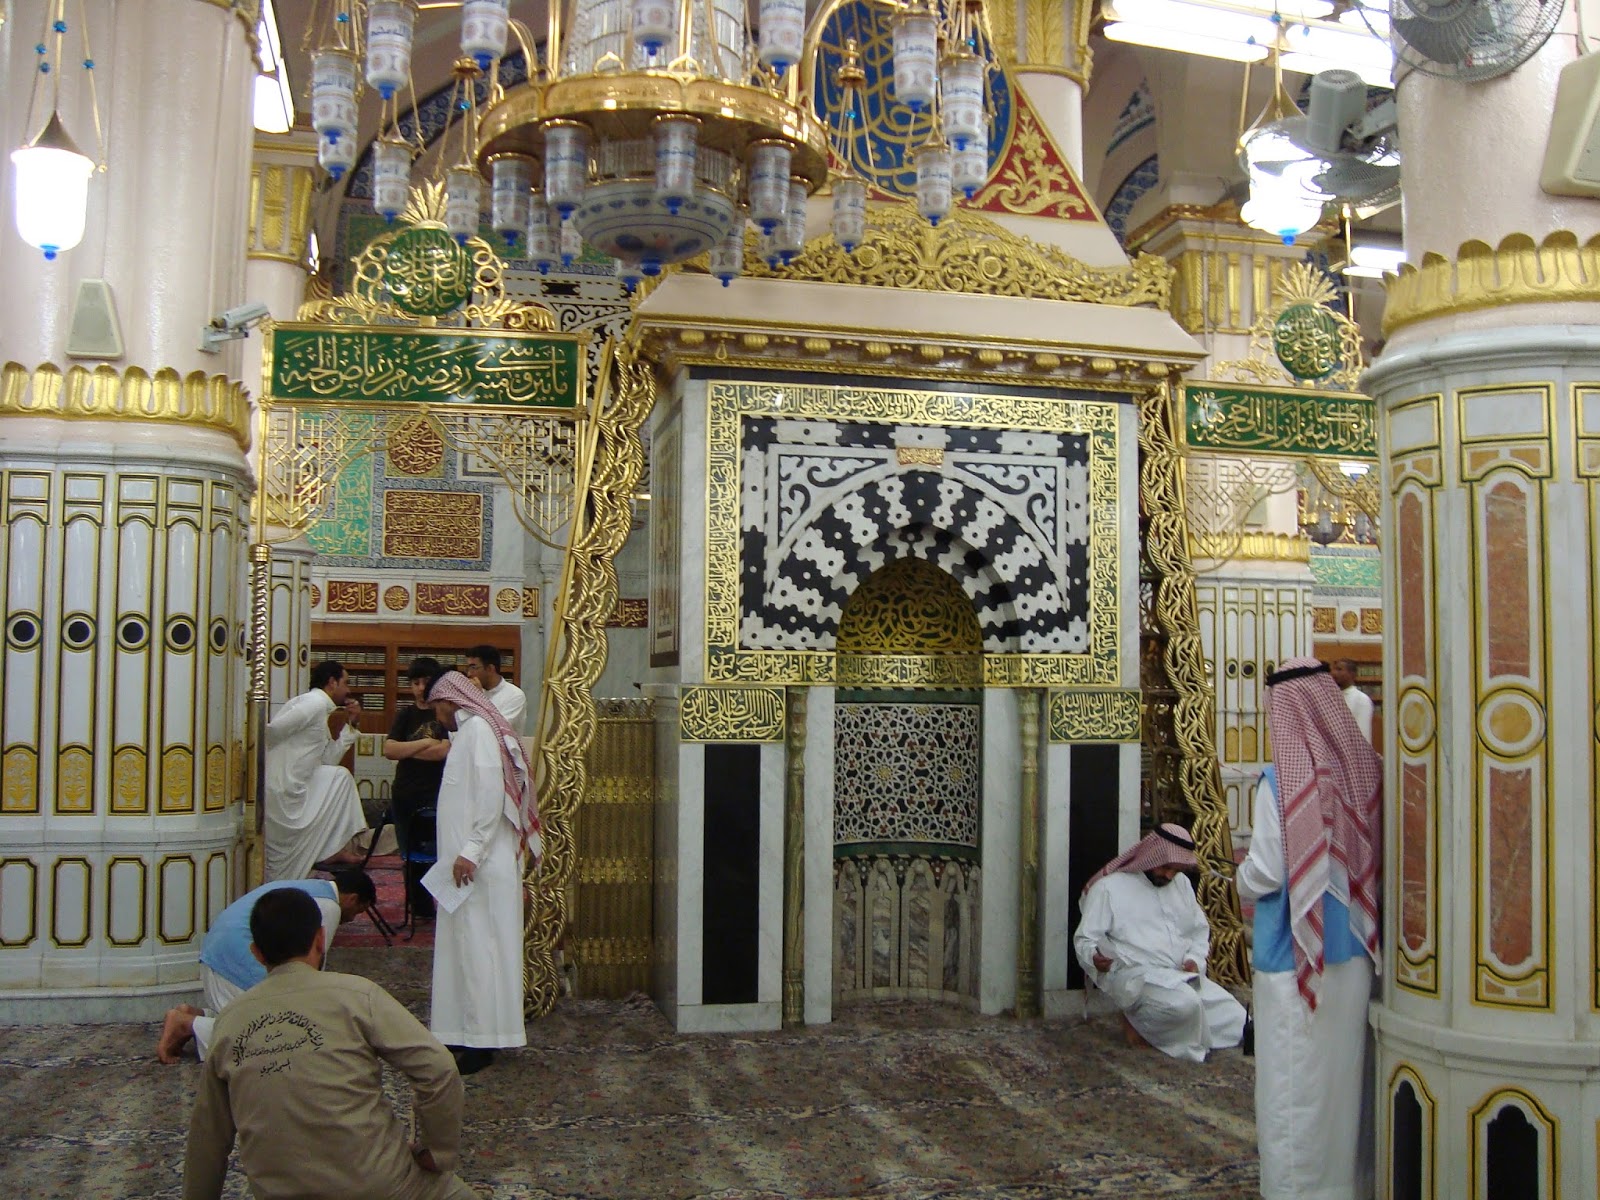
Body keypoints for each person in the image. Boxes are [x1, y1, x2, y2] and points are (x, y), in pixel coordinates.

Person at [182, 888, 476, 1200]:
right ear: (321, 939)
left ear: (256, 952)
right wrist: (437, 1152)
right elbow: (439, 1068)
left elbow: (208, 1139)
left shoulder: (229, 1021)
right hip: (381, 1186)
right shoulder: (357, 995)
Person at [1238, 657, 1382, 1200]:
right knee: (1346, 1086)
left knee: (1294, 1089)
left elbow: (1269, 870)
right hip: (1358, 954)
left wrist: (1240, 882)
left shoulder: (1283, 780)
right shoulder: (1371, 772)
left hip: (1300, 957)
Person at [425, 669, 538, 1074]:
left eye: (436, 705)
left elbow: (493, 796)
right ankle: (462, 1032)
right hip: (468, 867)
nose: (436, 713)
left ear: (448, 699)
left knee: (480, 952)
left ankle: (483, 1041)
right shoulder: (471, 732)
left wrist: (471, 850)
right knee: (465, 951)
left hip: (480, 866)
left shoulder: (479, 733)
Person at [156, 870, 375, 1064]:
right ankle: (187, 1024)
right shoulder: (330, 906)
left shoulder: (312, 888)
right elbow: (311, 967)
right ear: (353, 899)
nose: (353, 918)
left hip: (219, 956)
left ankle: (197, 1015)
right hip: (235, 961)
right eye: (358, 910)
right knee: (272, 1037)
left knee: (268, 1015)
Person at [1073, 823, 1246, 1063]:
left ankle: (1173, 1031)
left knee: (1236, 1017)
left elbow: (1198, 930)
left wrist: (1194, 960)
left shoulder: (1181, 885)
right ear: (1151, 854)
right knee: (1185, 1006)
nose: (1169, 876)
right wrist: (1093, 957)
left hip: (1180, 976)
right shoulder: (1109, 888)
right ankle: (1139, 1023)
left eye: (1176, 870)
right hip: (1138, 977)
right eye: (1166, 867)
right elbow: (1085, 938)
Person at [264, 661, 369, 881]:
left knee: (340, 777)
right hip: (286, 789)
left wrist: (352, 724)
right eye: (345, 683)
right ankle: (333, 850)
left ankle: (331, 849)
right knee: (341, 778)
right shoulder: (313, 704)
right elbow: (271, 732)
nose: (348, 690)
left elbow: (329, 758)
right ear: (332, 683)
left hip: (300, 785)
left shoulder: (322, 710)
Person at [384, 657, 450, 921]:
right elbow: (389, 750)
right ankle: (419, 907)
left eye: (425, 682)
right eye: (415, 682)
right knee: (409, 856)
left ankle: (440, 904)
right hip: (405, 794)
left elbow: (444, 751)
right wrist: (425, 743)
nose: (420, 688)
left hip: (437, 794)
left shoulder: (443, 713)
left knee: (436, 853)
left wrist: (408, 749)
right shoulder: (405, 714)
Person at [464, 644, 527, 736]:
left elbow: (497, 730)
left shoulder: (515, 695)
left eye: (474, 668)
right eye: (468, 668)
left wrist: (478, 697)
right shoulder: (471, 692)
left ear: (490, 668)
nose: (469, 674)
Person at [1329, 657, 1375, 746]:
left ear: (1352, 674)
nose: (1333, 673)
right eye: (1333, 670)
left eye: (1339, 669)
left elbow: (1362, 734)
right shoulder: (1330, 697)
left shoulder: (1361, 699)